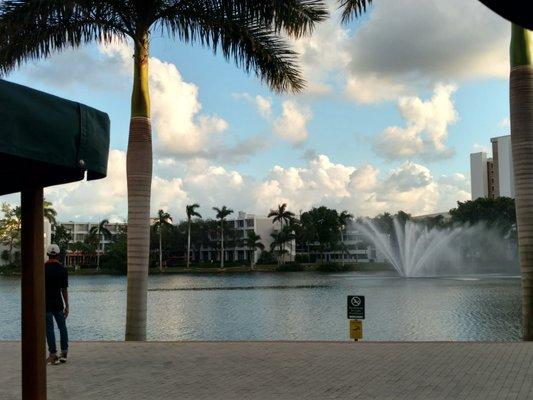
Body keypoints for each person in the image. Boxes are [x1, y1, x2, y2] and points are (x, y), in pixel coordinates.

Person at [44, 244, 69, 365]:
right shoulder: (63, 269)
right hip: (58, 303)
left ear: (47, 254)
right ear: (58, 255)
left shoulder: (42, 268)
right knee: (62, 327)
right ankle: (64, 353)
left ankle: (53, 354)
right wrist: (67, 306)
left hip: (45, 304)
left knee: (49, 329)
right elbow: (64, 289)